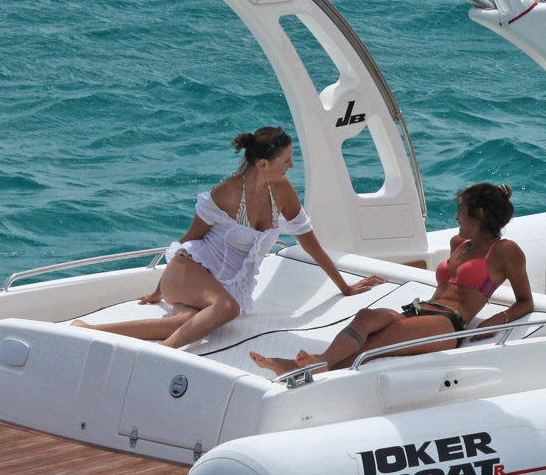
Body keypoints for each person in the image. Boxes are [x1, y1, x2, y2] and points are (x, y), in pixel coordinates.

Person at [82, 127, 382, 350]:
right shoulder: (225, 193)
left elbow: (309, 241)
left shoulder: (282, 191)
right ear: (263, 164)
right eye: (286, 160)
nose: (291, 166)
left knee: (182, 324)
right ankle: (164, 353)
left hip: (221, 285)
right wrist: (159, 290)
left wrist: (344, 287)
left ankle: (89, 330)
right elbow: (190, 239)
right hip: (189, 272)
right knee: (227, 309)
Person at [251, 183, 534, 377]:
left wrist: (496, 320)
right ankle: (321, 361)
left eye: (461, 209)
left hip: (449, 323)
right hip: (421, 310)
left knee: (379, 342)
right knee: (367, 316)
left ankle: (302, 369)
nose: (457, 215)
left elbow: (525, 302)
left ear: (480, 214)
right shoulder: (458, 243)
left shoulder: (505, 251)